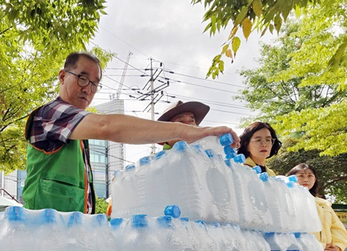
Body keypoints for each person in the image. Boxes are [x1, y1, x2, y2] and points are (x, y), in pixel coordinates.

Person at [23, 52, 238, 213]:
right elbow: (105, 126)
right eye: (82, 78)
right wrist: (187, 133)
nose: (88, 89)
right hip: (45, 237)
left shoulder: (76, 133)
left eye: (95, 83)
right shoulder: (50, 114)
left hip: (70, 235)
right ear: (62, 77)